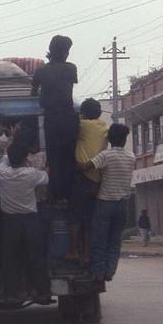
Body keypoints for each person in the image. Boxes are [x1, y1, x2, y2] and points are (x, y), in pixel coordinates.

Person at [79, 124, 135, 282]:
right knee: (114, 241)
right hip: (122, 205)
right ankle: (109, 271)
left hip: (105, 203)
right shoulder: (131, 157)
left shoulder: (106, 155)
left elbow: (86, 167)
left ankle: (98, 272)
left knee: (99, 239)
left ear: (109, 138)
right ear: (125, 140)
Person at [0, 141, 50, 300]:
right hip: (29, 220)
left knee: (10, 258)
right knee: (35, 256)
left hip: (9, 221)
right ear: (25, 158)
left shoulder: (2, 172)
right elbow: (46, 177)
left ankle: (11, 292)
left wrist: (9, 147)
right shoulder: (31, 174)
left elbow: (4, 157)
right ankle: (42, 291)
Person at [31, 35, 79, 203]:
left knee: (54, 157)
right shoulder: (71, 68)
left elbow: (33, 91)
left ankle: (55, 196)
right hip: (69, 118)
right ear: (63, 52)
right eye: (67, 51)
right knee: (69, 157)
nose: (67, 54)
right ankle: (68, 196)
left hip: (51, 118)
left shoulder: (41, 71)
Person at [68, 98, 108, 264]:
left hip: (81, 176)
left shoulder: (83, 125)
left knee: (75, 217)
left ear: (83, 114)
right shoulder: (104, 127)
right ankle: (86, 254)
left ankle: (73, 251)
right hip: (96, 179)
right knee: (89, 220)